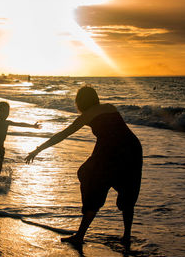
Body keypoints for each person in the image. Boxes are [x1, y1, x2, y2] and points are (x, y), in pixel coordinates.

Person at [25, 86, 142, 246]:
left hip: (111, 151)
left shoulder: (87, 115)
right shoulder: (109, 107)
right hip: (133, 149)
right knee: (128, 192)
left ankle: (80, 235)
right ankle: (126, 236)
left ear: (81, 101)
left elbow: (62, 134)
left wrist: (37, 150)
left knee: (89, 178)